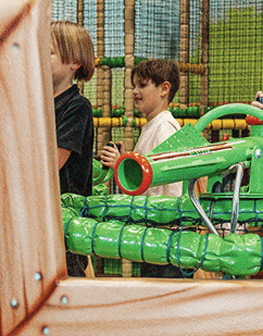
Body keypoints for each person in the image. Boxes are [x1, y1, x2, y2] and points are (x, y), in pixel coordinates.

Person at [100, 58, 188, 278]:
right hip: (156, 237)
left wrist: (120, 166)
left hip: (166, 239)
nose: (135, 92)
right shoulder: (153, 126)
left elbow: (165, 183)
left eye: (142, 85)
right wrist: (124, 163)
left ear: (164, 89)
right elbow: (148, 174)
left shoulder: (165, 128)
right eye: (134, 86)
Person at [50, 19, 96, 277]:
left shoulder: (76, 107)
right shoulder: (40, 102)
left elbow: (53, 161)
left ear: (74, 62)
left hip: (65, 217)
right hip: (42, 215)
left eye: (49, 52)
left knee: (65, 278)